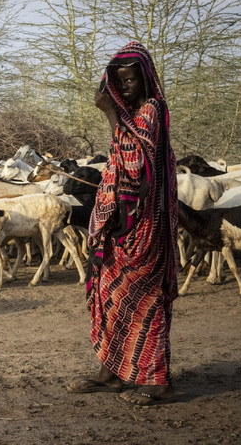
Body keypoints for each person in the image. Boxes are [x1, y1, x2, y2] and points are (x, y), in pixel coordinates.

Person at [66, 41, 177, 407]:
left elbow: (131, 165)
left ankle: (157, 380)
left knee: (143, 300)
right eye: (120, 81)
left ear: (145, 79)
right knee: (110, 295)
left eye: (131, 80)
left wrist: (110, 114)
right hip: (120, 227)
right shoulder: (135, 115)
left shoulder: (150, 110)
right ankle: (111, 372)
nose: (125, 86)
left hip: (139, 228)